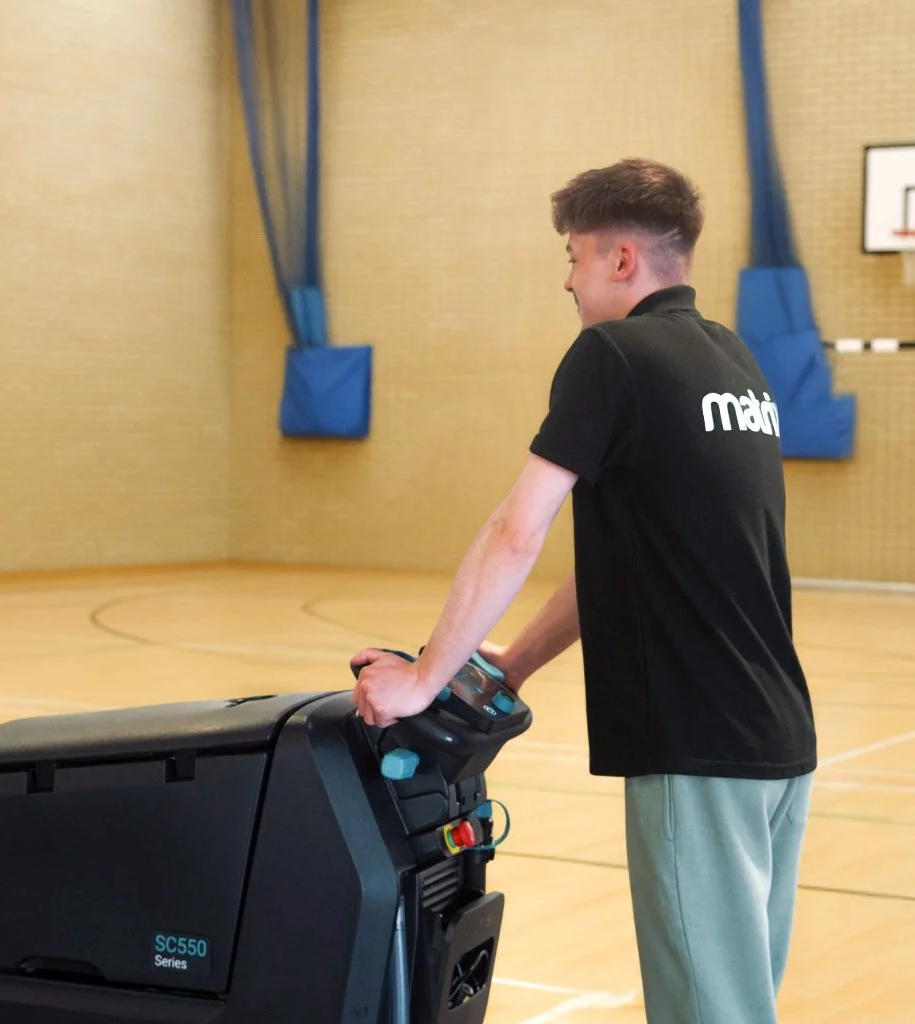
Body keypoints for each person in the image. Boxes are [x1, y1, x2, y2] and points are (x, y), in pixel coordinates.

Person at [349, 158, 816, 1023]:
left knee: (708, 1014)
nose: (567, 279)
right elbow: (644, 555)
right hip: (778, 743)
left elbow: (515, 530)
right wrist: (516, 662)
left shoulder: (613, 353)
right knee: (741, 1002)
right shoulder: (732, 361)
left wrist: (420, 679)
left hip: (697, 747)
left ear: (622, 261)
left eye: (574, 256)